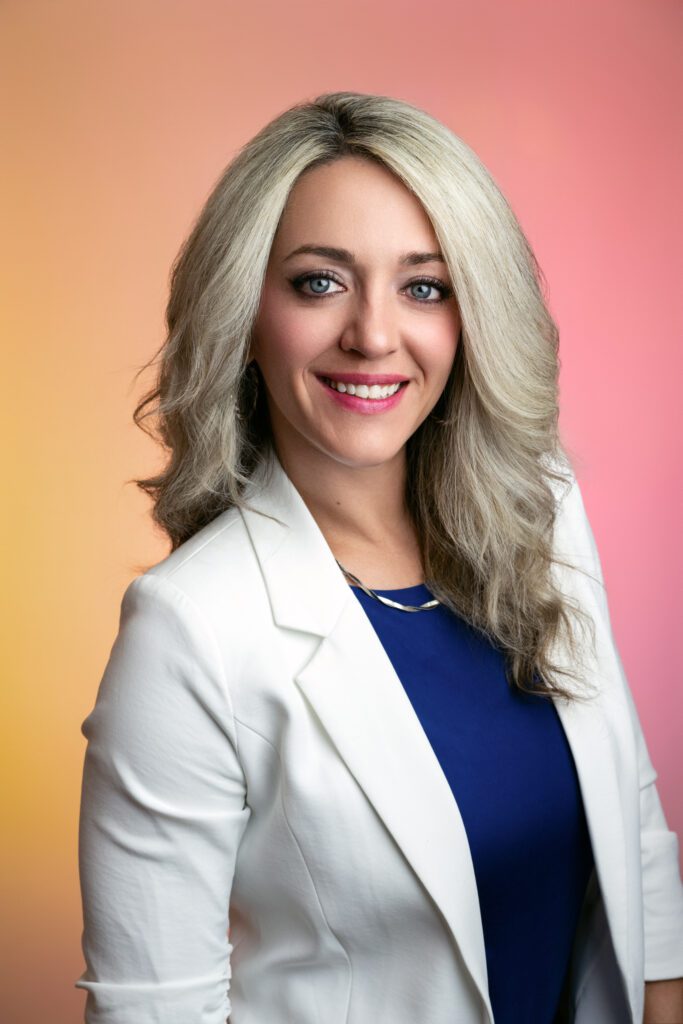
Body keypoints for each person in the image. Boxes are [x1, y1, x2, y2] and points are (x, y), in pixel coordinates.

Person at [74, 91, 683, 1024]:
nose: (372, 333)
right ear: (244, 313)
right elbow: (152, 1011)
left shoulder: (540, 507)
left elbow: (634, 839)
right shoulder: (188, 632)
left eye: (424, 285)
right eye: (319, 282)